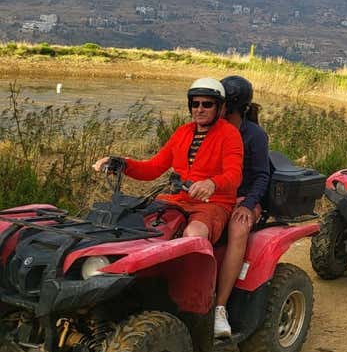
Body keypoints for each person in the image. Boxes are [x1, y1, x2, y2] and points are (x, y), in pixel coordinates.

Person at [93, 78, 243, 243]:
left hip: (212, 204)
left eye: (207, 104)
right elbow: (153, 168)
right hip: (176, 200)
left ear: (219, 107)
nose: (199, 109)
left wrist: (212, 183)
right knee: (135, 227)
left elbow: (234, 175)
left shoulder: (229, 134)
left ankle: (191, 269)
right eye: (195, 104)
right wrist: (121, 163)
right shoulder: (182, 132)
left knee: (194, 235)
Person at [214, 75, 270, 338]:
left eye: (219, 104)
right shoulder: (211, 130)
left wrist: (248, 204)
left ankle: (220, 307)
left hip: (245, 198)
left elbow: (261, 175)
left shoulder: (255, 135)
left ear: (231, 107)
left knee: (238, 229)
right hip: (215, 196)